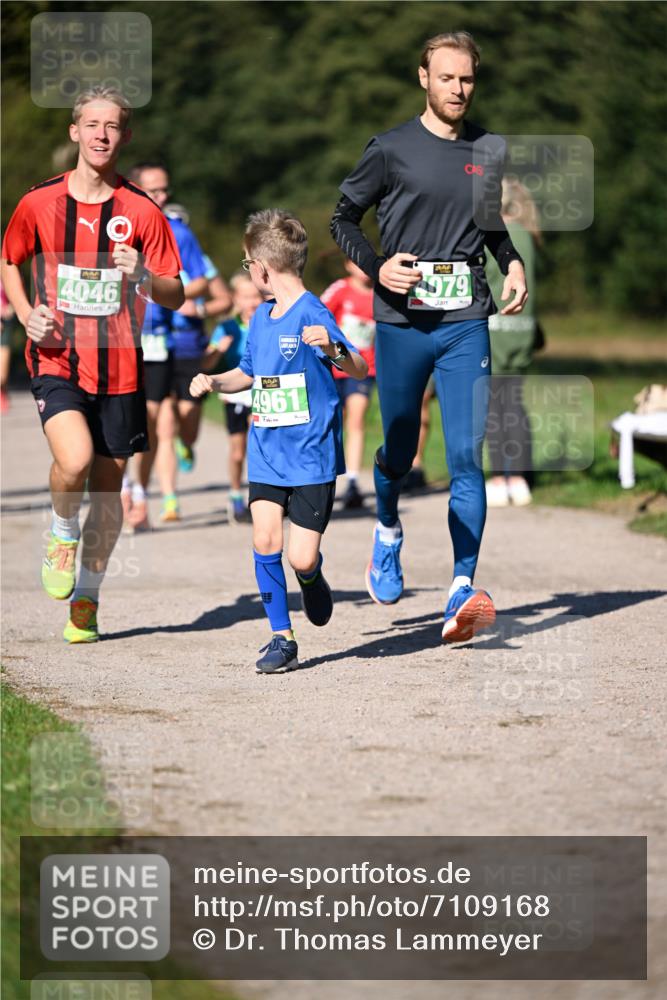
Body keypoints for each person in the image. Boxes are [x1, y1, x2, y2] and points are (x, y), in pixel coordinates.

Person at [331, 31, 527, 643]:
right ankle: (387, 527)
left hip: (466, 317)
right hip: (401, 320)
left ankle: (461, 586)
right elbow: (342, 219)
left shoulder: (489, 149)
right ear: (424, 78)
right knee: (398, 447)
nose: (458, 89)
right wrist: (376, 266)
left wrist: (513, 260)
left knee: (469, 455)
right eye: (447, 78)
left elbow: (491, 227)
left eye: (467, 79)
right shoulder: (390, 149)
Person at [0, 87, 183, 642]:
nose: (102, 134)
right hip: (56, 357)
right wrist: (28, 312)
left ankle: (88, 599)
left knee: (107, 499)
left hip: (122, 370)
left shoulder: (142, 211)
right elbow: (10, 260)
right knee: (74, 460)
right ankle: (60, 531)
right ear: (75, 132)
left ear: (125, 137)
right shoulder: (39, 202)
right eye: (92, 124)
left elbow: (175, 293)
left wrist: (142, 277)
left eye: (114, 126)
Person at [190, 209, 367, 673]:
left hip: (311, 456)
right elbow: (246, 374)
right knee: (265, 539)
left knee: (299, 554)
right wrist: (213, 380)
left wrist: (332, 349)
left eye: (249, 266)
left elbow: (359, 369)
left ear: (264, 269)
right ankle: (281, 638)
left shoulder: (314, 312)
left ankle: (311, 576)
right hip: (267, 453)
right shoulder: (262, 319)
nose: (250, 273)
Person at [120, 168, 208, 530]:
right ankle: (126, 487)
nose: (162, 197)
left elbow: (199, 278)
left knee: (154, 420)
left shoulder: (179, 232)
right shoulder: (115, 225)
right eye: (153, 190)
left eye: (165, 190)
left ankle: (138, 492)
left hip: (158, 341)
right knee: (122, 417)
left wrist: (183, 298)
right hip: (117, 337)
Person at [485, 178, 542, 507]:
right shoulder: (528, 235)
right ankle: (520, 478)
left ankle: (498, 478)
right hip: (523, 330)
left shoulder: (495, 238)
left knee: (493, 407)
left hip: (496, 330)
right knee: (515, 405)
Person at [205, 270, 263, 523]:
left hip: (263, 392)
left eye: (256, 297)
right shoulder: (226, 327)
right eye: (245, 297)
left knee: (259, 446)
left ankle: (262, 495)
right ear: (236, 300)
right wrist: (219, 350)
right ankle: (235, 494)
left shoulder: (269, 323)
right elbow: (206, 363)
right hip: (235, 395)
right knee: (238, 451)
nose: (251, 303)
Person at [320, 258, 376, 509]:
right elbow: (318, 313)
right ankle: (325, 478)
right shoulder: (340, 289)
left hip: (364, 370)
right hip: (334, 368)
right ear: (348, 266)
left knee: (357, 418)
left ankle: (353, 481)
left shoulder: (380, 296)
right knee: (332, 422)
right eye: (358, 264)